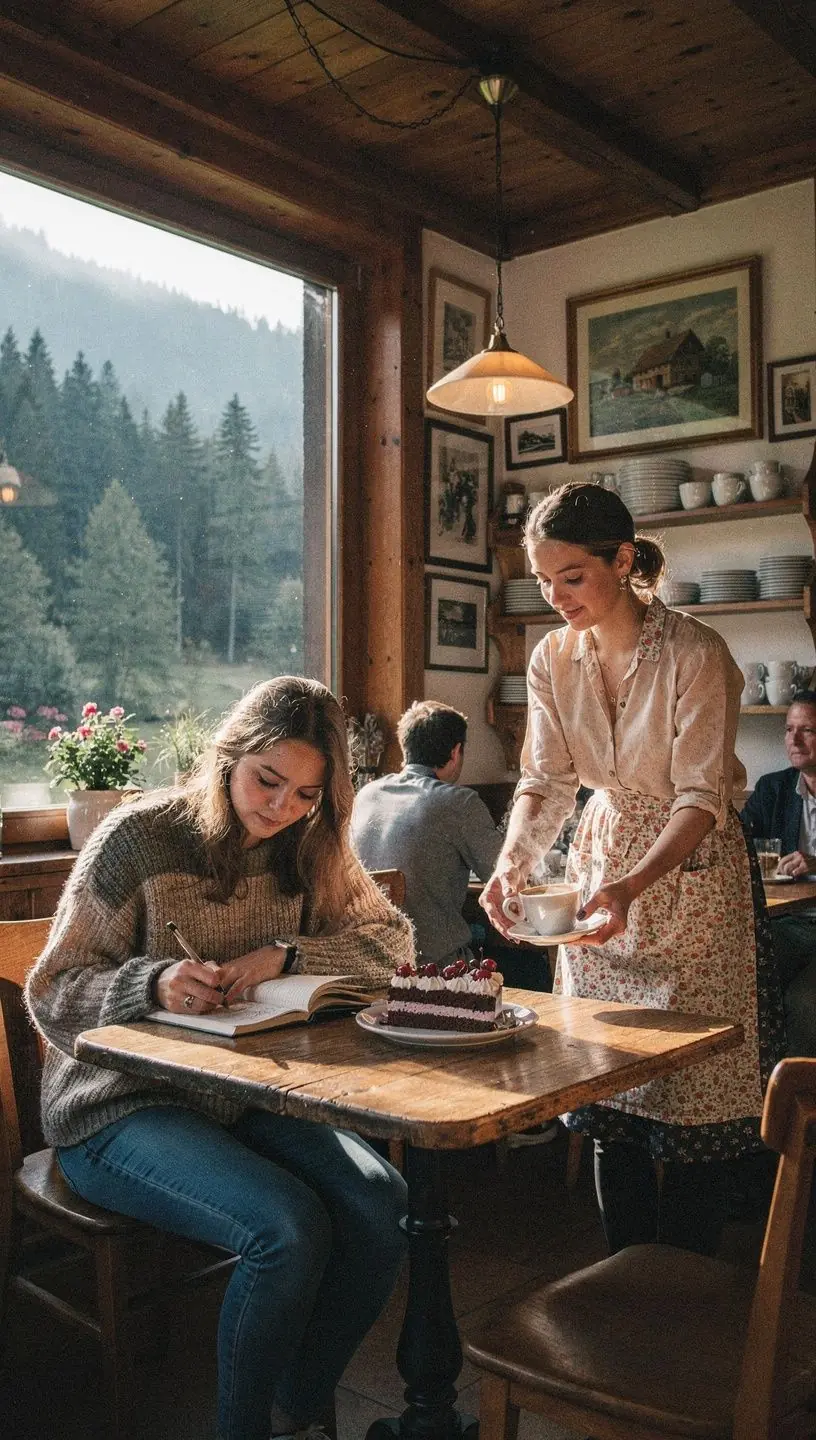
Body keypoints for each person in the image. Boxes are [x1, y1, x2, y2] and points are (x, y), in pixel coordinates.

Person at [26, 676, 412, 1440]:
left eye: (306, 795)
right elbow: (54, 990)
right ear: (226, 755)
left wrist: (289, 951)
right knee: (287, 1230)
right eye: (268, 780)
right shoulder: (138, 838)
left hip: (245, 1098)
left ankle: (297, 1411)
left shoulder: (311, 844)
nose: (280, 808)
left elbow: (394, 944)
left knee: (382, 1204)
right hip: (114, 1107)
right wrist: (154, 982)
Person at [481, 482, 783, 1257]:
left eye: (571, 577)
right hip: (600, 860)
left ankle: (684, 1291)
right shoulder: (552, 657)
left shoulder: (694, 652)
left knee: (691, 1099)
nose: (555, 598)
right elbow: (545, 781)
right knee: (608, 1085)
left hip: (688, 876)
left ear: (623, 561)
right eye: (544, 582)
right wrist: (511, 862)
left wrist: (630, 885)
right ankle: (624, 1270)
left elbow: (699, 799)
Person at [350, 700, 502, 967]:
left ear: (405, 747)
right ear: (455, 752)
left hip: (365, 961)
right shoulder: (459, 803)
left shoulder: (366, 794)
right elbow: (503, 876)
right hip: (432, 967)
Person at [742, 690, 816, 1056]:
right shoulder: (775, 788)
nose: (794, 740)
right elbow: (739, 843)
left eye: (807, 730)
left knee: (804, 1004)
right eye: (789, 729)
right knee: (745, 979)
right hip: (786, 922)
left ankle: (801, 1106)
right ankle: (756, 1097)